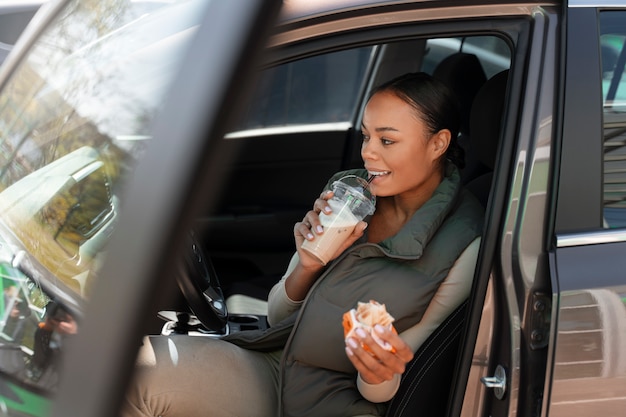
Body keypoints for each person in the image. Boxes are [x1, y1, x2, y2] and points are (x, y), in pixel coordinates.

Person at [123, 72, 484, 417]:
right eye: (366, 136)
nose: (368, 153)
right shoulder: (350, 194)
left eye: (386, 140)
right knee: (133, 371)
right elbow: (279, 316)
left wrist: (376, 371)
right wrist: (308, 266)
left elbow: (407, 381)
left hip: (344, 403)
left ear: (438, 143)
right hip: (281, 362)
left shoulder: (466, 243)